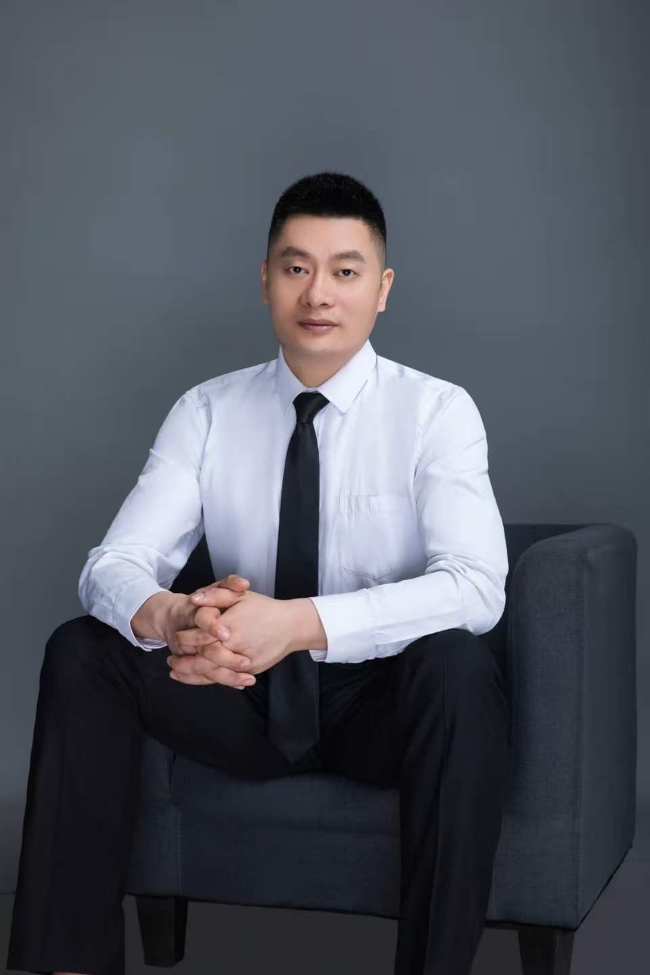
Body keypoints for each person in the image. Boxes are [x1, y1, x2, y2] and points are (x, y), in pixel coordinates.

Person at [6, 171, 511, 975]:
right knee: (83, 650)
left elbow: (477, 586)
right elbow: (114, 563)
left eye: (345, 270)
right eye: (296, 267)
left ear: (382, 289)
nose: (319, 293)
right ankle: (72, 964)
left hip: (377, 700)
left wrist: (299, 623)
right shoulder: (207, 410)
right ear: (266, 279)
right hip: (238, 687)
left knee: (457, 665)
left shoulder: (436, 412)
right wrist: (175, 616)